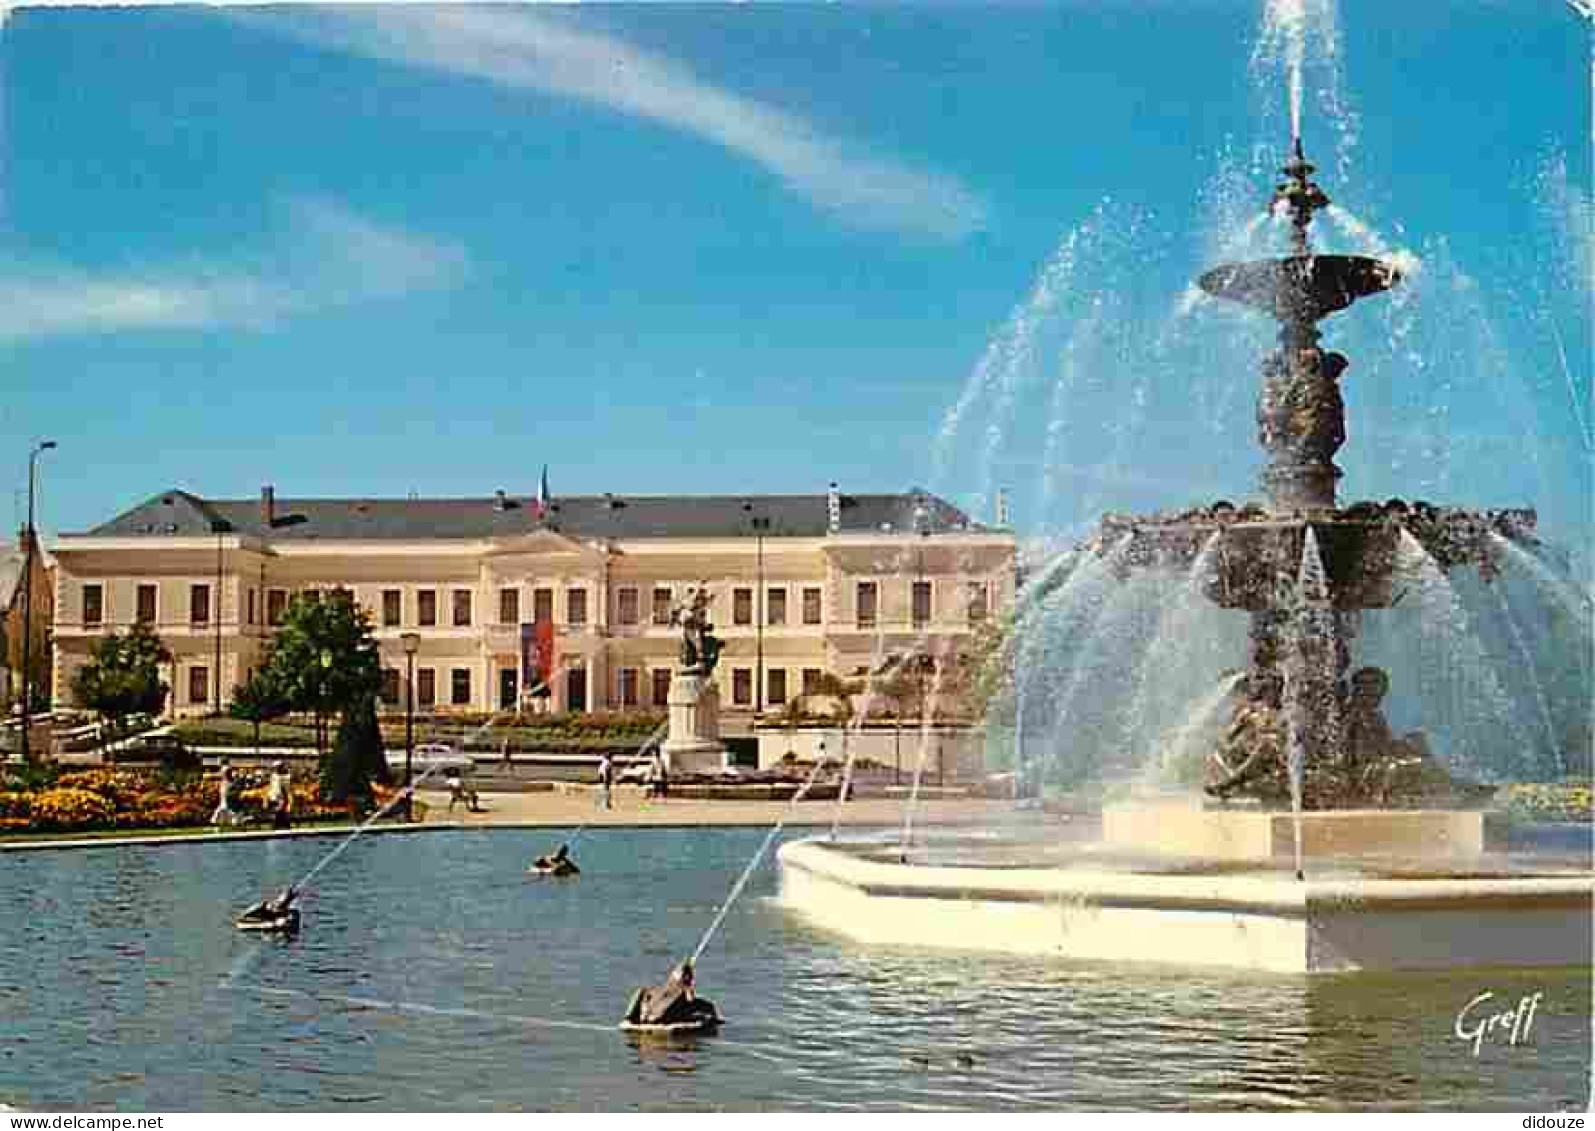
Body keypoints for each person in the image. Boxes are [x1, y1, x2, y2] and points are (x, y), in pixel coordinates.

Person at [623, 958, 718, 1028]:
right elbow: (692, 1000)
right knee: (707, 1006)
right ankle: (631, 1018)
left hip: (645, 1017)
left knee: (641, 990)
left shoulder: (652, 990)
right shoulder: (684, 991)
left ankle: (629, 1017)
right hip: (659, 1019)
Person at [211, 760, 237, 828]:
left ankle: (215, 818)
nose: (219, 764)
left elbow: (220, 774)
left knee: (225, 805)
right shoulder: (229, 768)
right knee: (224, 805)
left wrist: (210, 775)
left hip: (225, 787)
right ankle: (232, 820)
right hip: (227, 787)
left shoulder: (225, 768)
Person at [268, 760, 293, 830]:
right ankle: (277, 824)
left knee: (284, 808)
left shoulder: (284, 775)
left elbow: (286, 784)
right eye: (280, 767)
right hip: (276, 794)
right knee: (279, 807)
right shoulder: (275, 776)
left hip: (281, 793)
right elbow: (281, 783)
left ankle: (283, 824)